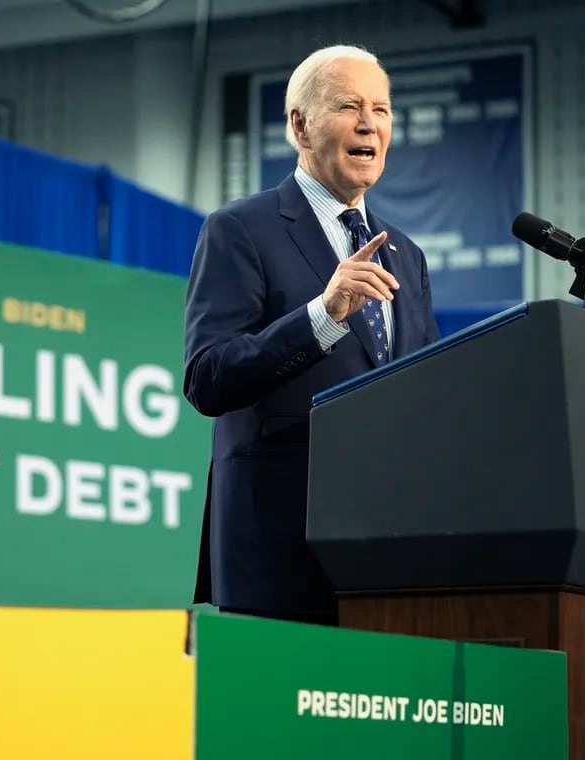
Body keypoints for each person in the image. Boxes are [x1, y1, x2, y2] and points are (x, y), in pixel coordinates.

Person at [183, 44, 439, 626]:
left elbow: (426, 390)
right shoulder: (240, 230)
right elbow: (208, 377)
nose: (370, 123)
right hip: (279, 554)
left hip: (390, 556)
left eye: (382, 108)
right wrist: (321, 314)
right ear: (300, 124)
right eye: (349, 106)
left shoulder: (408, 256)